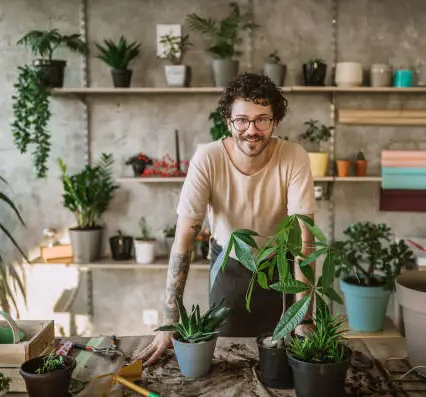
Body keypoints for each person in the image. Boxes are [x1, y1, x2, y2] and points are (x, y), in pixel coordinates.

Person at [133, 72, 318, 366]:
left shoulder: (293, 156)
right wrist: (170, 318)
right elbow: (184, 239)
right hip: (229, 266)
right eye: (242, 120)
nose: (251, 129)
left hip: (281, 269)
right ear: (228, 121)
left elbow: (304, 240)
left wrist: (304, 317)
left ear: (275, 121)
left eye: (262, 119)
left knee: (283, 359)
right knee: (230, 358)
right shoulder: (207, 158)